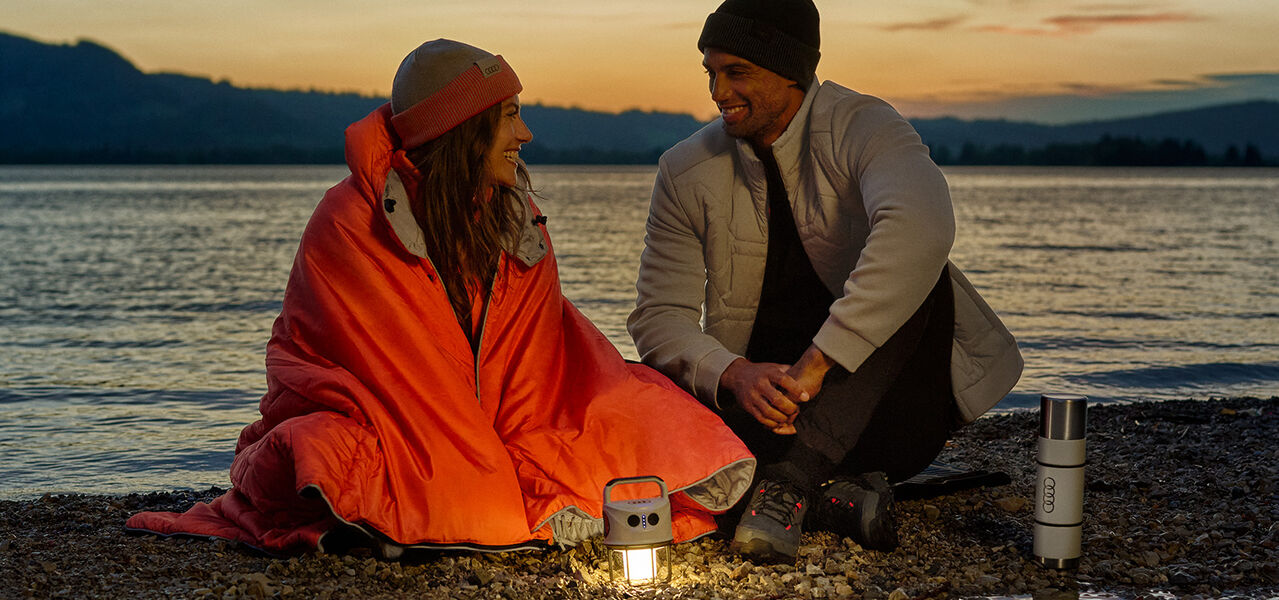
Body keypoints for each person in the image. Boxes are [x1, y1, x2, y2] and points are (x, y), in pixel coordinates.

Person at [127, 39, 754, 556]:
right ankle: (473, 494)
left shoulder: (517, 221)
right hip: (385, 414)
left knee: (643, 417)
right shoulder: (350, 223)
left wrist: (515, 458)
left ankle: (479, 491)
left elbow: (535, 368)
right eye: (509, 116)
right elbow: (386, 372)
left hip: (497, 419)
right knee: (327, 452)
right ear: (464, 128)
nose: (526, 134)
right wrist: (490, 469)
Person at [628, 0, 1023, 561]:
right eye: (710, 72)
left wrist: (818, 363)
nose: (717, 92)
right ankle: (826, 501)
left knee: (917, 273)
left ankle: (790, 484)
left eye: (736, 72)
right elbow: (658, 316)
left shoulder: (866, 126)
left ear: (791, 71)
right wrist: (733, 373)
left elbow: (922, 228)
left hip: (887, 410)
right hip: (766, 412)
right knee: (626, 380)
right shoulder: (685, 169)